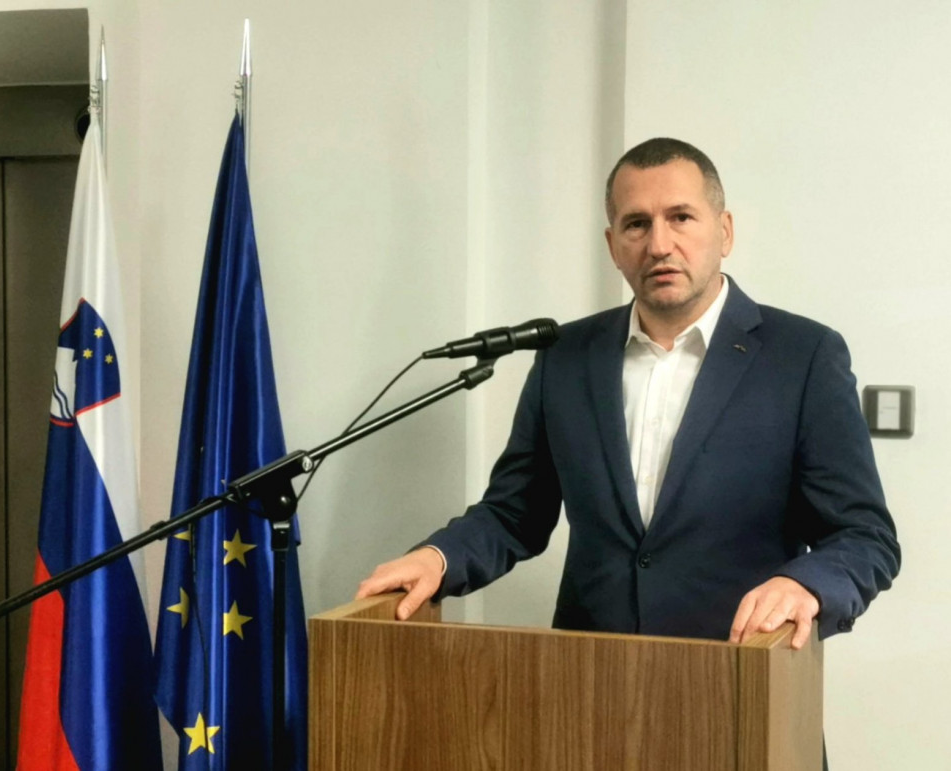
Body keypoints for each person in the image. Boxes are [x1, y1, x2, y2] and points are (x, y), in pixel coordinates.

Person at [357, 138, 899, 657]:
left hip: (745, 686)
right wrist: (439, 557)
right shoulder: (565, 355)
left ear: (725, 231)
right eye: (636, 224)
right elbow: (514, 513)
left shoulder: (803, 356)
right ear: (613, 244)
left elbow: (865, 536)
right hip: (593, 694)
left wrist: (803, 584)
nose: (659, 244)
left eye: (681, 217)